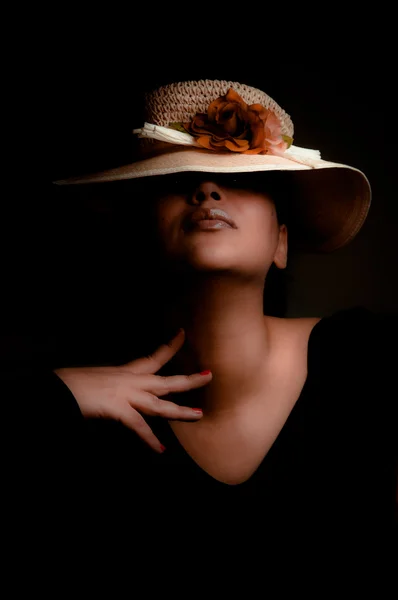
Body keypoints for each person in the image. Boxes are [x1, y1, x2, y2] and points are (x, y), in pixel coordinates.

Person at [5, 79, 397, 587]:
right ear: (145, 236)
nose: (206, 190)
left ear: (281, 243)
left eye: (245, 179)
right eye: (176, 182)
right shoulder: (88, 411)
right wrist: (60, 393)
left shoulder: (370, 358)